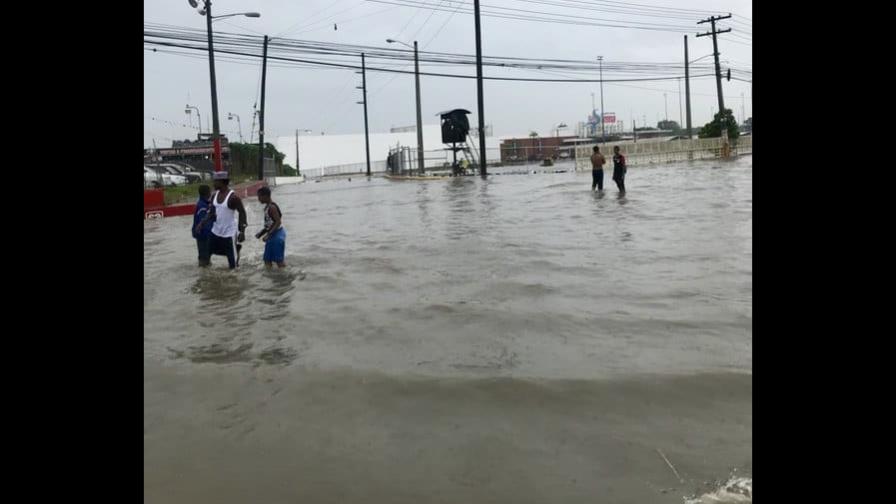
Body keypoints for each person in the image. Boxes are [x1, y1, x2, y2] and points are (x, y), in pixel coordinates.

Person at [195, 172, 247, 269]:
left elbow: (242, 213)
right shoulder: (214, 196)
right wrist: (201, 223)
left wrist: (242, 231)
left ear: (222, 182)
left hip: (229, 234)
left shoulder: (233, 198)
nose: (213, 184)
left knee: (233, 265)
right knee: (206, 256)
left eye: (215, 181)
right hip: (216, 231)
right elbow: (211, 213)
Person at [255, 186, 286, 268]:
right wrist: (261, 233)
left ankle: (284, 278)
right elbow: (269, 224)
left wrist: (268, 235)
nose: (258, 199)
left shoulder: (272, 207)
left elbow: (278, 222)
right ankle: (270, 279)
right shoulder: (266, 207)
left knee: (279, 261)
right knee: (267, 260)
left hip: (277, 235)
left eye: (259, 196)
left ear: (265, 196)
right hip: (272, 235)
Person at [192, 185, 213, 267]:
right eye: (210, 192)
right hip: (203, 235)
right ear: (207, 193)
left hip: (203, 235)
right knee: (204, 258)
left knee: (205, 256)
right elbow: (203, 221)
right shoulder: (202, 206)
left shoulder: (204, 204)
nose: (211, 193)